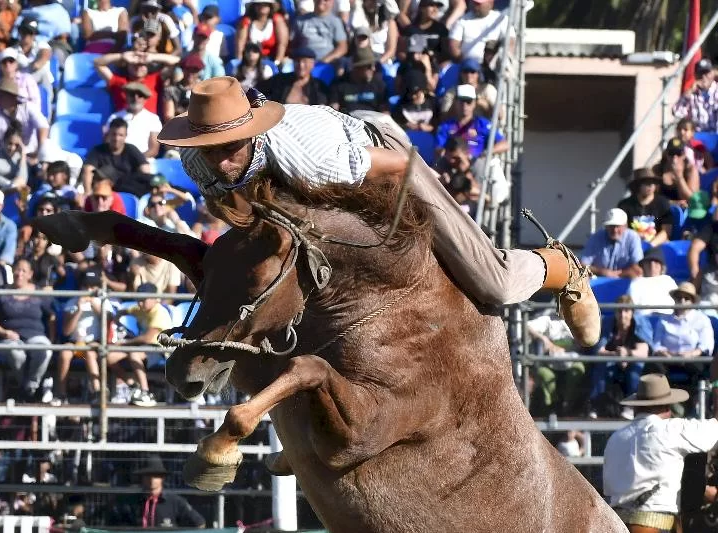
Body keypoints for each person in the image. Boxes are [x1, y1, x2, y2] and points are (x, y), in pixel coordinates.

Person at [158, 76, 602, 349]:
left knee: (493, 283)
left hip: (378, 156)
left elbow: (400, 166)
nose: (218, 160)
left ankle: (559, 267)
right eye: (208, 148)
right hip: (315, 184)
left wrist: (431, 198)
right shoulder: (197, 161)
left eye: (227, 148)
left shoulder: (312, 158)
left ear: (250, 134)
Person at [603, 374, 718, 531]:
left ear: (636, 407)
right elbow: (714, 430)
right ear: (666, 408)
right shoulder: (671, 430)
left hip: (614, 524)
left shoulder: (615, 438)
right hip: (655, 523)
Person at [0, 257, 55, 402]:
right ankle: (30, 391)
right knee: (16, 353)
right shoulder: (1, 292)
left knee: (45, 350)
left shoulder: (39, 293)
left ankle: (29, 387)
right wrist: (4, 332)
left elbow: (52, 316)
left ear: (30, 274)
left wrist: (52, 339)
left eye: (24, 271)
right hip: (9, 337)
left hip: (36, 335)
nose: (19, 274)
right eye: (17, 269)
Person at [588, 295, 650, 419]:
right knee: (601, 367)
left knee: (634, 370)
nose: (623, 315)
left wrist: (627, 354)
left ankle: (631, 407)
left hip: (632, 361)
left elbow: (644, 352)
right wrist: (617, 355)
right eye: (619, 311)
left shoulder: (640, 323)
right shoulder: (607, 323)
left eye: (626, 311)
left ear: (632, 312)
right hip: (612, 360)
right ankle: (596, 406)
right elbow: (598, 350)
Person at [57, 267, 113, 403]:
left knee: (89, 353)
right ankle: (61, 394)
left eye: (92, 286)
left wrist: (96, 306)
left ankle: (97, 392)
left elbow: (110, 321)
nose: (89, 289)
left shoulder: (104, 302)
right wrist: (78, 311)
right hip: (75, 345)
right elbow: (66, 331)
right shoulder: (72, 302)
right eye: (86, 286)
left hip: (94, 343)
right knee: (64, 353)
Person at [110, 283, 172, 406]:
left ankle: (145, 392)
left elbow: (147, 339)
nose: (140, 303)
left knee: (134, 355)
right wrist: (116, 321)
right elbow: (123, 311)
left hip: (159, 349)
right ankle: (133, 385)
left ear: (154, 299)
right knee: (109, 357)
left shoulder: (159, 312)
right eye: (138, 300)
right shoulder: (140, 309)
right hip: (142, 347)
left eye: (143, 300)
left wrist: (124, 343)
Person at [108, 454, 205, 527]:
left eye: (156, 475)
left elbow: (199, 523)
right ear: (142, 478)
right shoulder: (130, 503)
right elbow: (115, 526)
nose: (152, 479)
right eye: (148, 475)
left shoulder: (175, 502)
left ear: (162, 478)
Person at [652, 281, 714, 389]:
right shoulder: (663, 320)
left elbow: (707, 344)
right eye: (679, 297)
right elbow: (656, 343)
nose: (682, 301)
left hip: (692, 358)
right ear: (674, 299)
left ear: (692, 302)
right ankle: (660, 401)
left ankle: (697, 402)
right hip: (667, 358)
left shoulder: (702, 319)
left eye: (686, 298)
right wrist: (664, 353)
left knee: (699, 368)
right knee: (652, 367)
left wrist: (692, 354)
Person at [0, 77, 49, 164]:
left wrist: (39, 152)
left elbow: (43, 126)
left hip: (31, 154)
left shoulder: (28, 108)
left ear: (13, 97)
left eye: (3, 95)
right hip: (7, 157)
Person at [435, 84, 508, 159]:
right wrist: (451, 154)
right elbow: (438, 148)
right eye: (461, 101)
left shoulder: (482, 124)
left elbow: (504, 144)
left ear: (474, 103)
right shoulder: (446, 125)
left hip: (477, 163)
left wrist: (485, 153)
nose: (464, 105)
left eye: (468, 101)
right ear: (455, 102)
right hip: (452, 163)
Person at [81, 118, 151, 196]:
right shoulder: (98, 150)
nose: (116, 138)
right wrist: (88, 192)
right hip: (105, 191)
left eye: (120, 135)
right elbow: (88, 170)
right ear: (109, 134)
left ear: (126, 136)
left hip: (129, 190)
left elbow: (145, 170)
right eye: (114, 134)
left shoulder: (131, 149)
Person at [580, 208, 644, 279]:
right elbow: (583, 264)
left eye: (618, 226)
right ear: (606, 226)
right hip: (599, 279)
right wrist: (602, 272)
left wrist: (618, 274)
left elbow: (638, 268)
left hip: (625, 280)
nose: (615, 230)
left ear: (625, 226)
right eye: (611, 226)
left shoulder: (633, 237)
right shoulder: (596, 237)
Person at [617, 168, 673, 247]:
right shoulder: (625, 205)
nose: (650, 185)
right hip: (631, 245)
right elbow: (621, 230)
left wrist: (650, 245)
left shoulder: (662, 203)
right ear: (637, 185)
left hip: (657, 245)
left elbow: (666, 232)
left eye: (653, 182)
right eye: (646, 183)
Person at [104, 83, 162, 158]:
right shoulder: (114, 117)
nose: (135, 98)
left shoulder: (153, 119)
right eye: (132, 95)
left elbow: (153, 150)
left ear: (145, 99)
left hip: (143, 160)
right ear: (126, 97)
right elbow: (108, 143)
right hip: (117, 160)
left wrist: (136, 160)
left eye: (140, 95)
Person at [257, 47, 329, 106]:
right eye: (297, 61)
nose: (301, 65)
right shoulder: (280, 80)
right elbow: (257, 90)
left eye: (304, 61)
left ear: (312, 64)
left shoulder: (319, 87)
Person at [449, 0, 513, 64]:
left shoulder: (501, 19)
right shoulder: (462, 20)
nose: (476, 6)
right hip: (468, 66)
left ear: (491, 3)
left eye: (479, 4)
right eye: (474, 3)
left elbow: (511, 42)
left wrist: (498, 61)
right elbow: (454, 46)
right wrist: (466, 63)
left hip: (493, 66)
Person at [329, 47, 389, 115]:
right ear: (357, 68)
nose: (373, 69)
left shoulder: (379, 84)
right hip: (347, 120)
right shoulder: (339, 84)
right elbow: (334, 109)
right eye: (369, 66)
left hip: (373, 121)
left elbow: (384, 110)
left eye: (374, 65)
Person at [627, 247, 678, 316]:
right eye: (648, 262)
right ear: (643, 265)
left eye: (656, 262)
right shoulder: (636, 282)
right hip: (644, 321)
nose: (652, 265)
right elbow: (631, 308)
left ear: (662, 266)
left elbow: (678, 302)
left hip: (668, 321)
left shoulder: (668, 280)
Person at [235, 0, 288, 64]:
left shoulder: (277, 20)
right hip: (250, 60)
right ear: (254, 6)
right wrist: (240, 62)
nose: (262, 6)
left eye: (265, 4)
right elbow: (240, 44)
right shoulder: (246, 21)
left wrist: (277, 61)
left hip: (272, 59)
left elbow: (282, 44)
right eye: (259, 4)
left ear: (270, 7)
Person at [673, 58, 718, 132]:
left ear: (713, 74)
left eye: (706, 73)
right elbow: (677, 112)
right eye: (700, 73)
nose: (703, 77)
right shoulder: (691, 94)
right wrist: (688, 93)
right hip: (697, 137)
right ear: (695, 75)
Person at [653, 138, 699, 206]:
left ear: (684, 155)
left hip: (685, 211)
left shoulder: (690, 170)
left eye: (678, 153)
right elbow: (651, 198)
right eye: (671, 153)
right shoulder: (658, 169)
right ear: (666, 154)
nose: (675, 158)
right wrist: (672, 203)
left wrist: (679, 178)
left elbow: (692, 200)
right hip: (663, 209)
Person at [0, 126, 29, 192]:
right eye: (10, 143)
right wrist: (10, 184)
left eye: (16, 145)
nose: (12, 148)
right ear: (4, 141)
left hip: (12, 192)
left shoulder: (20, 158)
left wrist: (23, 155)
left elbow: (23, 179)